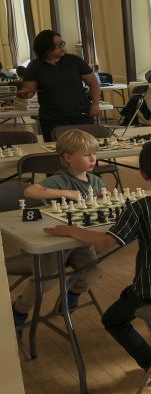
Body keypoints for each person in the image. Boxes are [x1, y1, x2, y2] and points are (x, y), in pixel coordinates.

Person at [44, 140, 151, 381]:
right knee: (128, 294)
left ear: (143, 175)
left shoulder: (140, 208)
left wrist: (72, 230)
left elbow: (107, 243)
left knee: (112, 320)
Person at [11, 129, 105, 331]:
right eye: (87, 154)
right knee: (45, 283)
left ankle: (69, 299)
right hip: (56, 244)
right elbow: (30, 191)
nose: (93, 159)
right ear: (68, 157)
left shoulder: (95, 181)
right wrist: (66, 193)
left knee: (93, 271)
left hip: (79, 240)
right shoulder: (60, 179)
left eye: (94, 154)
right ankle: (18, 312)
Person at [17, 30, 101, 142]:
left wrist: (95, 104)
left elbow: (93, 82)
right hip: (52, 118)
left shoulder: (74, 60)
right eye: (58, 45)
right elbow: (30, 90)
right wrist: (24, 94)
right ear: (46, 48)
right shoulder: (35, 66)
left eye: (62, 43)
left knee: (85, 148)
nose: (63, 47)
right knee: (56, 151)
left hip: (80, 114)